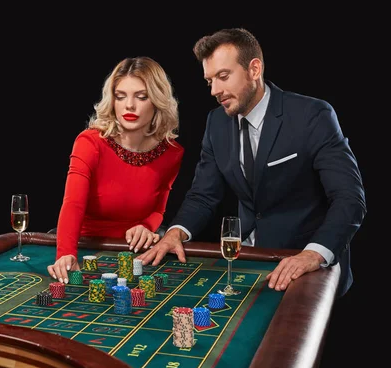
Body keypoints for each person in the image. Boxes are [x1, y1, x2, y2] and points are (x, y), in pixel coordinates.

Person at [136, 28, 366, 297]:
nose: (215, 90)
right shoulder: (216, 123)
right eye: (209, 81)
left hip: (306, 263)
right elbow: (203, 195)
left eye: (223, 76)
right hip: (248, 260)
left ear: (254, 69)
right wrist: (176, 232)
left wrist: (313, 254)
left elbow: (349, 199)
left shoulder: (312, 115)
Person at [47, 56, 184, 284]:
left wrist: (146, 226)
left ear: (158, 101)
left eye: (141, 97)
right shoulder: (90, 142)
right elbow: (73, 204)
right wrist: (65, 254)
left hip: (134, 251)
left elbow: (159, 210)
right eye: (121, 97)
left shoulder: (172, 153)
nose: (129, 105)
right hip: (86, 245)